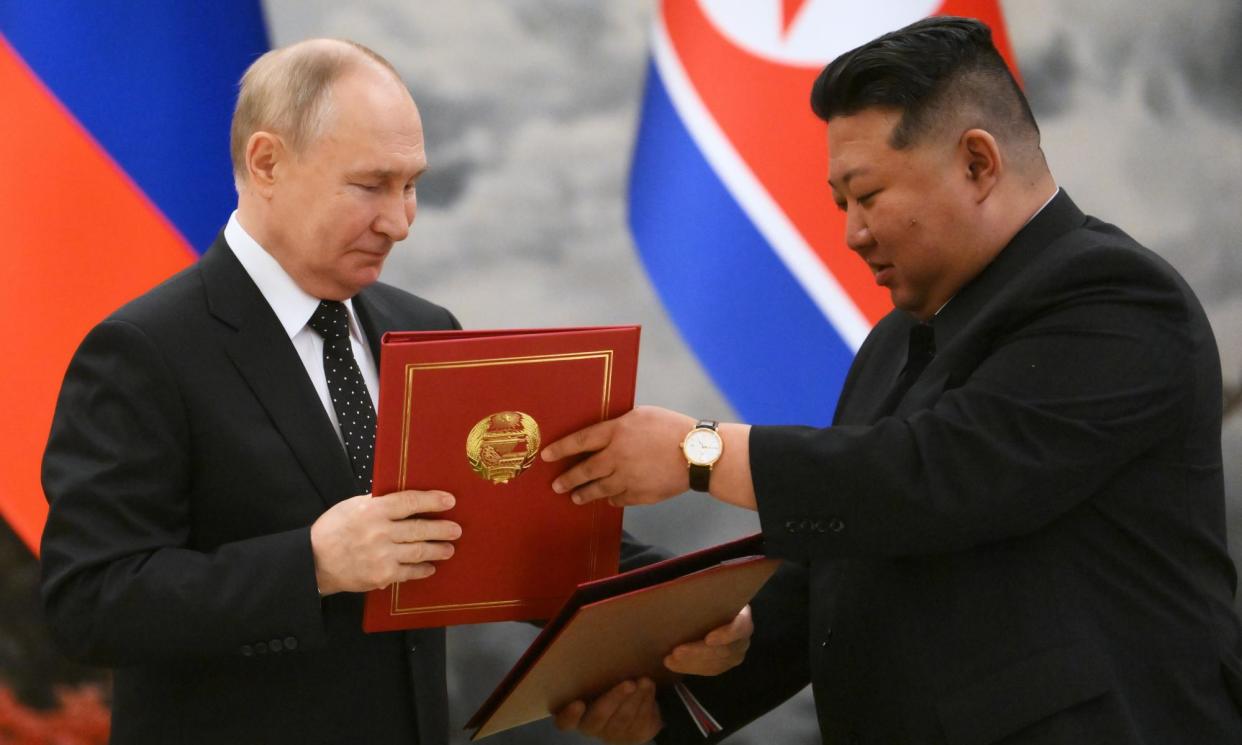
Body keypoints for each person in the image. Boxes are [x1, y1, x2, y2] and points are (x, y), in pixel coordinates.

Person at [545, 16, 1242, 745]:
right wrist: (710, 663)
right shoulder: (894, 341)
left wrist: (700, 454)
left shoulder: (1118, 296)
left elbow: (942, 474)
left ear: (978, 162)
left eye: (868, 194)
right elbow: (847, 556)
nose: (851, 232)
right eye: (840, 202)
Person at [39, 39, 748, 745]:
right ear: (267, 163)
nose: (401, 221)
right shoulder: (144, 351)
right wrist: (312, 564)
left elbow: (514, 531)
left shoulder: (425, 329)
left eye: (411, 185)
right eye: (371, 184)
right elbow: (89, 601)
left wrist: (685, 610)